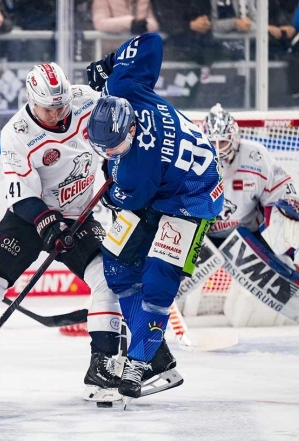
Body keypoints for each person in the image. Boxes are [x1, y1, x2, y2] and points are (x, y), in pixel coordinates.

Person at [0, 63, 124, 402]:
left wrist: (116, 167)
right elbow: (22, 194)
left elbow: (118, 129)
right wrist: (48, 223)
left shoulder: (87, 100)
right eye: (48, 108)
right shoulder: (16, 133)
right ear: (31, 100)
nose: (57, 114)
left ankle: (102, 366)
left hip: (78, 215)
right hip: (31, 218)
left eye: (61, 106)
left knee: (109, 279)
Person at [84, 32, 224, 404]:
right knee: (115, 263)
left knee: (159, 277)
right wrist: (110, 64)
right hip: (161, 183)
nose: (108, 152)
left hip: (193, 196)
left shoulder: (136, 169)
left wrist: (110, 186)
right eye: (102, 146)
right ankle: (152, 354)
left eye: (113, 145)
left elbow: (125, 197)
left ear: (131, 128)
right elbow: (150, 41)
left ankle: (140, 361)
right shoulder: (124, 86)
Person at [196, 104, 299, 347]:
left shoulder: (255, 157)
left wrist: (287, 218)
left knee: (282, 271)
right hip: (201, 234)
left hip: (245, 233)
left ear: (234, 138)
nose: (217, 149)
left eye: (222, 142)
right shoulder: (192, 157)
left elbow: (282, 194)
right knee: (163, 270)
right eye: (212, 142)